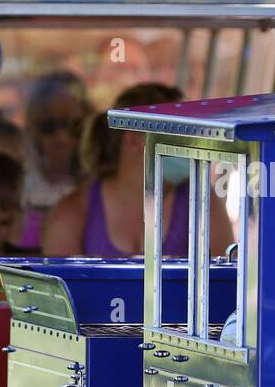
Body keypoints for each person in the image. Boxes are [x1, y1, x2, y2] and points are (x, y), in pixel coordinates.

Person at [41, 83, 234, 257]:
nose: (194, 144)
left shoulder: (203, 204)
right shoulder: (71, 215)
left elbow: (223, 285)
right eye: (180, 132)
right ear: (134, 140)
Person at [19, 70, 89, 247]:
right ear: (33, 130)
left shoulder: (97, 185)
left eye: (73, 125)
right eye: (48, 126)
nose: (62, 137)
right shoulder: (19, 185)